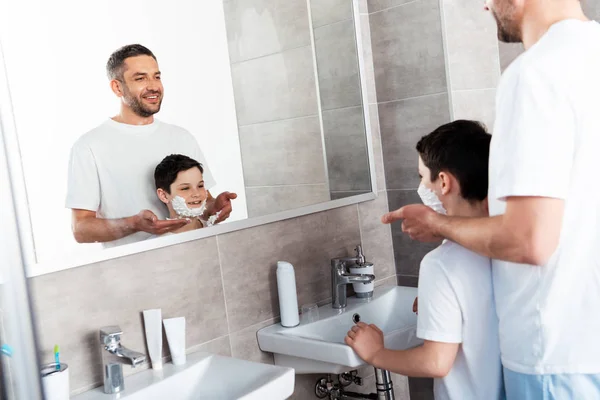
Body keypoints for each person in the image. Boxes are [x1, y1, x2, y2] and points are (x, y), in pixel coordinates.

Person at [383, 1, 600, 398]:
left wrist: (436, 223)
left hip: (553, 358)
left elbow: (529, 241)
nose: (485, 4)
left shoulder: (536, 72)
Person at [346, 121, 503, 400]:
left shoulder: (440, 263)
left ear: (443, 182)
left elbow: (436, 362)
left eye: (422, 176)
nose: (420, 186)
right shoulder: (507, 246)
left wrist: (375, 352)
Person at [66, 44, 236, 247]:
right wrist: (133, 224)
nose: (153, 86)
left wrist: (214, 207)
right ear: (117, 87)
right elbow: (81, 230)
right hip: (136, 271)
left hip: (193, 259)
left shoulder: (182, 137)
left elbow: (203, 203)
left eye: (156, 76)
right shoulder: (89, 146)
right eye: (140, 78)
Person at [153, 154, 211, 235]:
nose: (197, 194)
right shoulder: (157, 244)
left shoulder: (216, 230)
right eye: (185, 188)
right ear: (164, 195)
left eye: (200, 186)